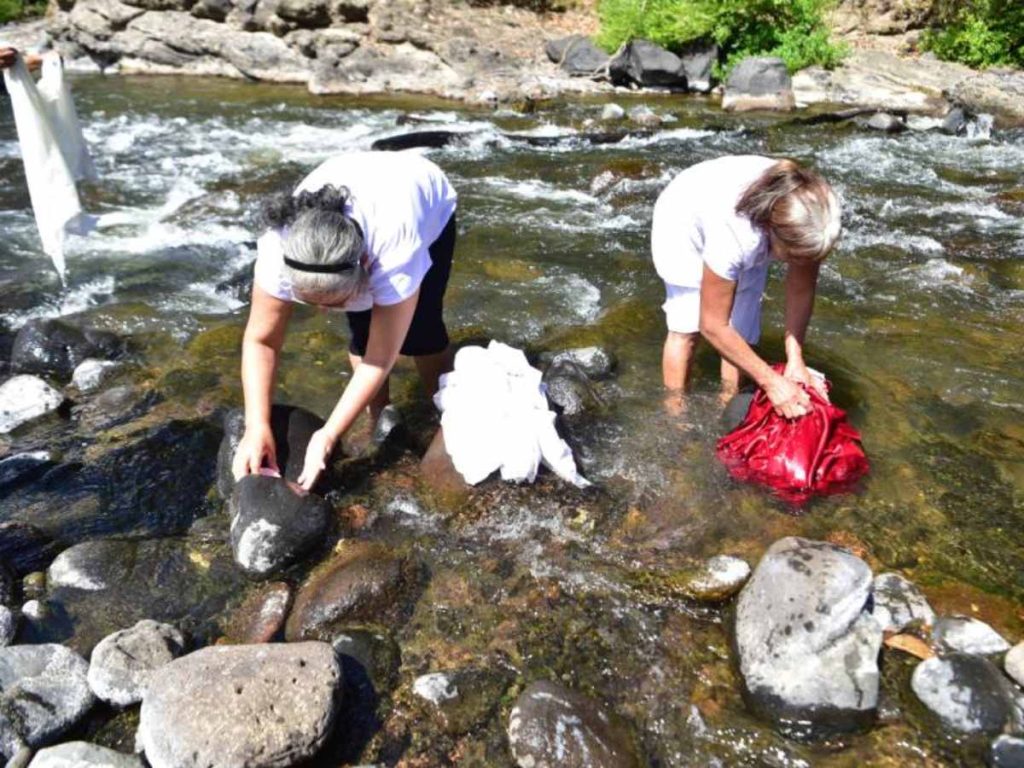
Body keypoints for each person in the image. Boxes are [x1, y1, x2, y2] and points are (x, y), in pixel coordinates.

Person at [232, 151, 458, 491]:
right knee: (362, 332)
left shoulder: (396, 246)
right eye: (312, 303)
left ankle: (444, 411)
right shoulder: (277, 247)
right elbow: (260, 341)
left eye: (336, 302)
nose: (325, 313)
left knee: (422, 330)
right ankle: (379, 417)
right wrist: (256, 426)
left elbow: (382, 358)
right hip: (349, 185)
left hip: (419, 193)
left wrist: (329, 433)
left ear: (365, 264)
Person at [651, 155, 841, 419]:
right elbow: (712, 325)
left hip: (749, 216)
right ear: (772, 233)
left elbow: (801, 289)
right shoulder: (737, 237)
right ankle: (675, 419)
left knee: (742, 326)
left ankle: (728, 406)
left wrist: (795, 360)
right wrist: (772, 382)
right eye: (795, 256)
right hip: (684, 213)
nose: (803, 263)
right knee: (686, 326)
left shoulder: (815, 214)